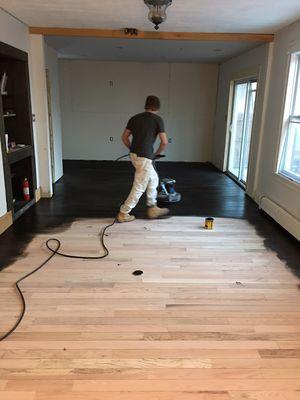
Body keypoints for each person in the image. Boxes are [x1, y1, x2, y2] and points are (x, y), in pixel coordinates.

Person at [117, 95, 170, 223]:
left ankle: (152, 207)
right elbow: (164, 142)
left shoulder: (134, 118)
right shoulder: (158, 120)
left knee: (153, 178)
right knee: (139, 186)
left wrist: (132, 149)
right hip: (145, 157)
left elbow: (124, 137)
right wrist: (156, 154)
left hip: (135, 155)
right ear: (157, 107)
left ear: (146, 105)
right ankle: (123, 212)